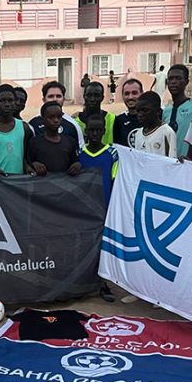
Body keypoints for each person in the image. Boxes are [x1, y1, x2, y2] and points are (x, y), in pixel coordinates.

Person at [78, 113, 120, 303]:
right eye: (91, 130)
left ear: (104, 131)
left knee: (102, 248)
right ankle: (84, 283)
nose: (95, 134)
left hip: (105, 207)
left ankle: (103, 284)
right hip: (83, 210)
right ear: (86, 132)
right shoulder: (79, 153)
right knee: (84, 246)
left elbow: (115, 180)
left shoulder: (112, 153)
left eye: (98, 130)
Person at [0, 84, 33, 175]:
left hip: (18, 181)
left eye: (10, 100)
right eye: (2, 101)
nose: (7, 104)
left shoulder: (24, 127)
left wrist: (27, 167)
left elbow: (25, 157)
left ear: (15, 102)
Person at [162, 64, 192, 158]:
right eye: (170, 79)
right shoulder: (166, 111)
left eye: (178, 78)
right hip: (169, 163)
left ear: (186, 82)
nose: (174, 82)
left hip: (187, 164)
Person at [27, 101, 79, 175]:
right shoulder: (34, 142)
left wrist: (77, 165)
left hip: (64, 184)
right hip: (42, 185)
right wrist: (34, 164)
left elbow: (75, 161)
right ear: (43, 119)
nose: (56, 120)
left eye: (59, 117)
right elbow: (27, 164)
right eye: (51, 117)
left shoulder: (70, 141)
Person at [30, 81, 84, 147]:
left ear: (63, 99)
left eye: (58, 96)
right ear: (44, 99)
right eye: (50, 96)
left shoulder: (73, 125)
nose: (55, 99)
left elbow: (80, 149)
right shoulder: (33, 124)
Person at [133, 92, 177, 158]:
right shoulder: (138, 133)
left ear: (158, 111)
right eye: (138, 111)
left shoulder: (167, 132)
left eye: (145, 110)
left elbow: (172, 161)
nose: (140, 114)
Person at [114, 79, 143, 147]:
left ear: (142, 93)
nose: (130, 97)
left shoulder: (153, 118)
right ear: (122, 96)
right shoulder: (118, 121)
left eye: (134, 93)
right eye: (127, 93)